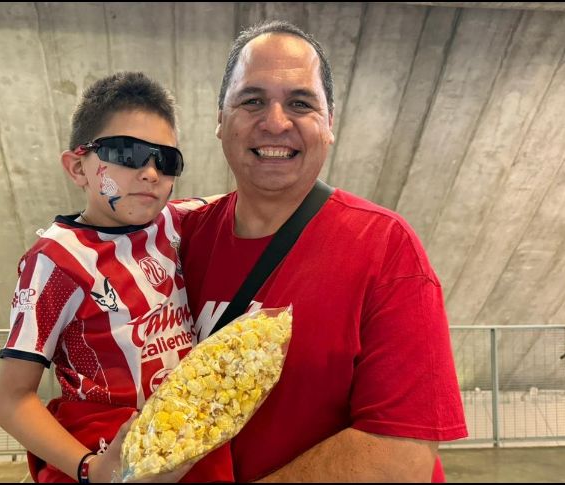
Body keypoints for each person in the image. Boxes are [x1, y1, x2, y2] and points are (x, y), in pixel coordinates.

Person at [179, 20, 468, 482]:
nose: (275, 122)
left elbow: (400, 454)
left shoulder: (385, 248)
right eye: (252, 100)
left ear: (329, 125)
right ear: (220, 119)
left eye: (300, 103)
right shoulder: (179, 240)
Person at [0, 72, 231, 483]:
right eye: (127, 153)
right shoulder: (55, 261)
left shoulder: (176, 220)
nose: (151, 173)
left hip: (189, 446)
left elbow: (250, 198)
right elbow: (12, 400)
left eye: (166, 160)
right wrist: (91, 470)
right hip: (105, 451)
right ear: (77, 167)